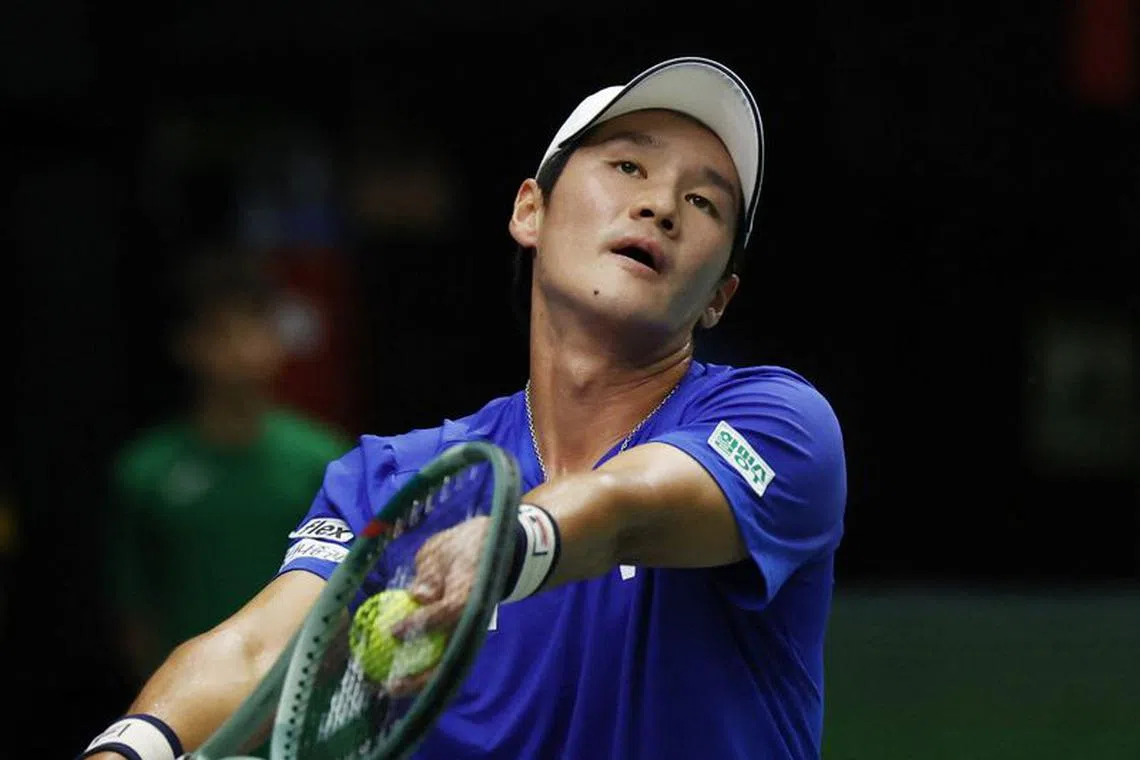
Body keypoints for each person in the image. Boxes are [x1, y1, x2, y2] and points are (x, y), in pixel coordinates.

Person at [82, 56, 847, 760]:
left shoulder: (778, 425)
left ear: (719, 297)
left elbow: (628, 508)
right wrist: (130, 749)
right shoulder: (393, 479)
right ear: (530, 213)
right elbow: (261, 653)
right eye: (627, 165)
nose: (660, 206)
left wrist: (512, 541)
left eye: (704, 203)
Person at [102, 246, 352, 682]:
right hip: (196, 713)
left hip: (301, 706)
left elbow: (351, 591)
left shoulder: (326, 459)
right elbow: (134, 616)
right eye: (220, 333)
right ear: (186, 345)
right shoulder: (144, 472)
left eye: (252, 329)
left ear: (277, 340)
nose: (239, 350)